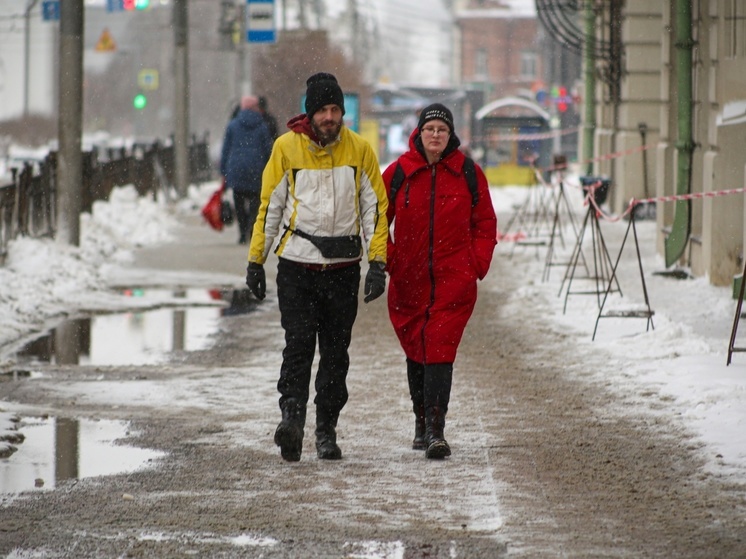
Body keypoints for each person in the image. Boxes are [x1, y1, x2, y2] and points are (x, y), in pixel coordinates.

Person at [245, 72, 389, 462]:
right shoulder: (286, 149)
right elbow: (269, 208)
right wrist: (256, 260)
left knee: (336, 354)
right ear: (309, 113)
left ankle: (326, 429)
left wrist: (378, 263)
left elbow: (376, 211)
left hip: (343, 270)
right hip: (297, 268)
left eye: (335, 109)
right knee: (298, 346)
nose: (330, 117)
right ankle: (291, 420)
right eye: (323, 109)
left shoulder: (359, 150)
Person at [382, 103, 497, 459]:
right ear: (419, 133)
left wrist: (474, 264)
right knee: (416, 346)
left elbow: (485, 223)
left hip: (453, 280)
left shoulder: (468, 173)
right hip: (409, 280)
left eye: (442, 130)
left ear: (451, 136)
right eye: (430, 129)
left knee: (440, 347)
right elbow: (372, 219)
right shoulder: (398, 172)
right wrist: (391, 259)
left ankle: (436, 428)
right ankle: (420, 421)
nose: (435, 135)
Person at [220, 95, 273, 244]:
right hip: (257, 169)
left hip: (236, 168)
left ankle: (242, 232)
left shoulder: (233, 125)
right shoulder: (262, 126)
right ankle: (251, 228)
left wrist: (223, 170)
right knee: (256, 202)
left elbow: (225, 150)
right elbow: (267, 150)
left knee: (239, 202)